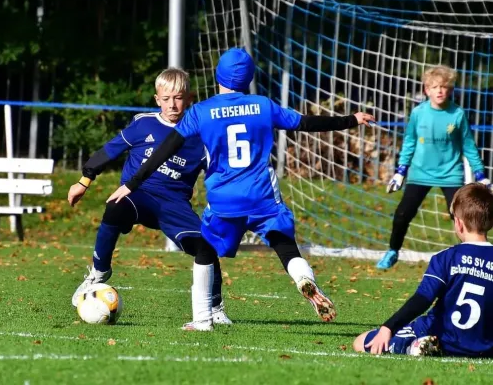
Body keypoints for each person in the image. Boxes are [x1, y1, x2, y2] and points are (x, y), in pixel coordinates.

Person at [106, 48, 375, 331]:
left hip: (225, 197)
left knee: (205, 251)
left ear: (218, 75)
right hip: (262, 195)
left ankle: (202, 320)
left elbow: (164, 150)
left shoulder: (201, 111)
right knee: (285, 245)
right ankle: (303, 280)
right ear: (248, 79)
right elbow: (307, 123)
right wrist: (351, 119)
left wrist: (131, 184)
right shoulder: (263, 105)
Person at [67, 68, 232, 325]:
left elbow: (218, 176)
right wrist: (84, 180)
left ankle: (215, 308)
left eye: (178, 98)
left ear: (189, 99)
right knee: (114, 207)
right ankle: (99, 273)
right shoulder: (143, 123)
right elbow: (110, 150)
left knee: (205, 246)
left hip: (173, 205)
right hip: (137, 195)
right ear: (157, 99)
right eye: (166, 99)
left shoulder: (202, 138)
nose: (172, 104)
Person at [355, 183, 493, 357]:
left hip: (442, 338)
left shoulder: (447, 257)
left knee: (360, 342)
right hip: (484, 345)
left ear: (458, 223)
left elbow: (423, 298)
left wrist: (388, 327)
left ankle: (411, 347)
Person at [378, 65, 491, 269]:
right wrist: (400, 171)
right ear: (426, 90)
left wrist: (480, 173)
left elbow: (468, 145)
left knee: (463, 216)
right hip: (420, 173)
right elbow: (409, 142)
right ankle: (393, 251)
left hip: (450, 174)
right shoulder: (418, 113)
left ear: (450, 89)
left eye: (444, 86)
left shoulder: (457, 114)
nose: (439, 90)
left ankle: (472, 257)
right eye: (435, 86)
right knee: (403, 213)